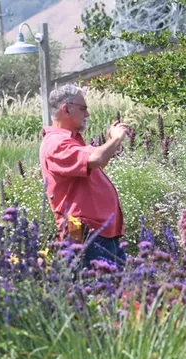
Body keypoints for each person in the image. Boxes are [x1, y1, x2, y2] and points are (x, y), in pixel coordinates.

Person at [39, 84, 130, 269]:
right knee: (101, 295)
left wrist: (109, 144)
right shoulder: (56, 143)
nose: (87, 114)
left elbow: (99, 161)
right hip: (88, 237)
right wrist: (116, 139)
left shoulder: (71, 141)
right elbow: (96, 159)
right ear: (66, 109)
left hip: (102, 235)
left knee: (119, 294)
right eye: (83, 109)